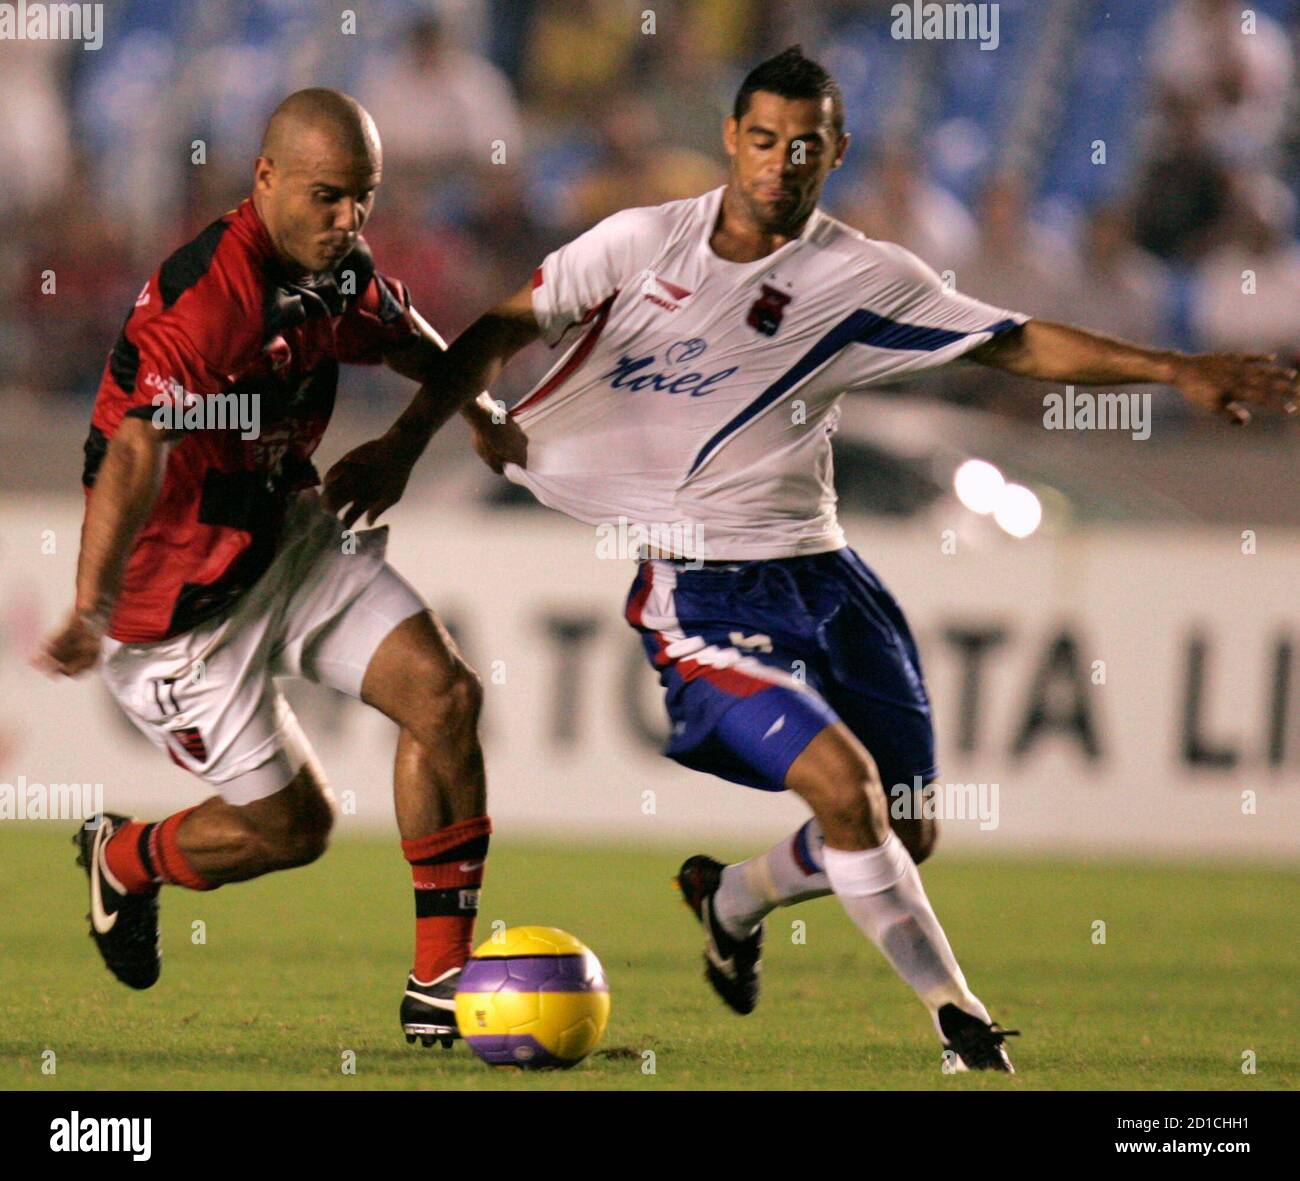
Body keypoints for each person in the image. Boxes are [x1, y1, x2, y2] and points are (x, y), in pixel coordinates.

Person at [324, 48, 1297, 1072]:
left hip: (832, 583)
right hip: (697, 588)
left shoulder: (859, 276)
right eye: (760, 139)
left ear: (835, 151)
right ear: (729, 140)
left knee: (902, 833)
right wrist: (413, 436)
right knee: (845, 791)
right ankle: (958, 1017)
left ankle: (732, 895)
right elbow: (498, 328)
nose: (779, 162)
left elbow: (1011, 343)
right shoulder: (640, 242)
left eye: (803, 145)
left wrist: (1173, 367)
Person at [37, 89, 520, 1050]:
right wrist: (88, 608)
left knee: (446, 695)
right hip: (173, 615)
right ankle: (128, 858)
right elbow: (140, 446)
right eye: (328, 198)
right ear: (265, 178)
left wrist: (468, 417)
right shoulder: (210, 297)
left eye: (364, 201)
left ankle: (440, 987)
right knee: (297, 829)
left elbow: (405, 336)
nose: (348, 223)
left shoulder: (336, 268)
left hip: (285, 540)